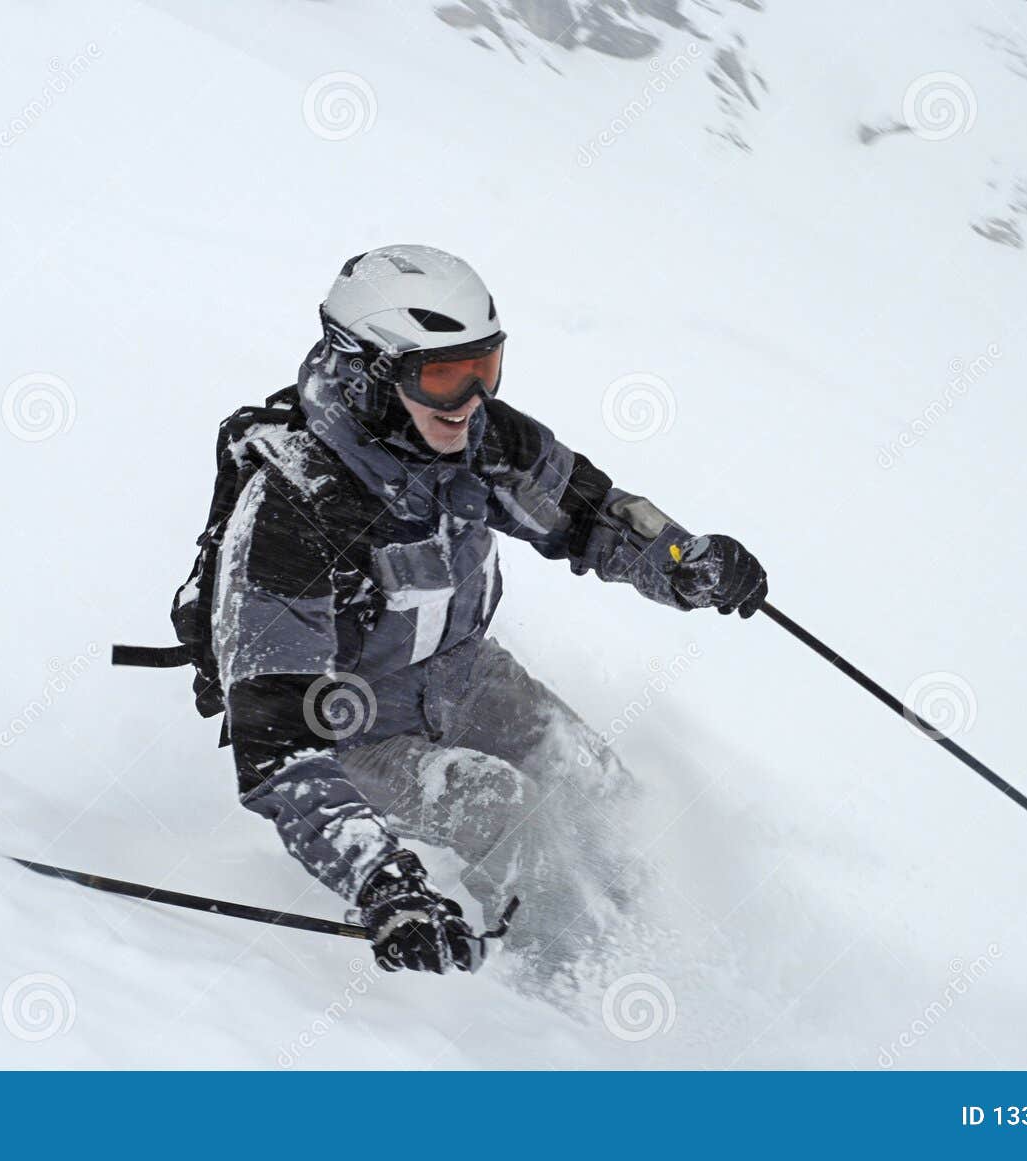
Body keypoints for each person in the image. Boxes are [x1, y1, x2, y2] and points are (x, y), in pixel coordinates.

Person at [198, 245, 767, 975]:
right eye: (442, 376)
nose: (469, 399)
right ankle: (578, 1001)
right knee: (502, 806)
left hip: (462, 676)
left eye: (485, 368)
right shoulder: (294, 509)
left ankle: (675, 955)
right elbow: (279, 751)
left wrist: (688, 566)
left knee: (591, 779)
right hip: (348, 729)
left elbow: (590, 516)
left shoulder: (478, 439)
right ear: (369, 373)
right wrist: (385, 883)